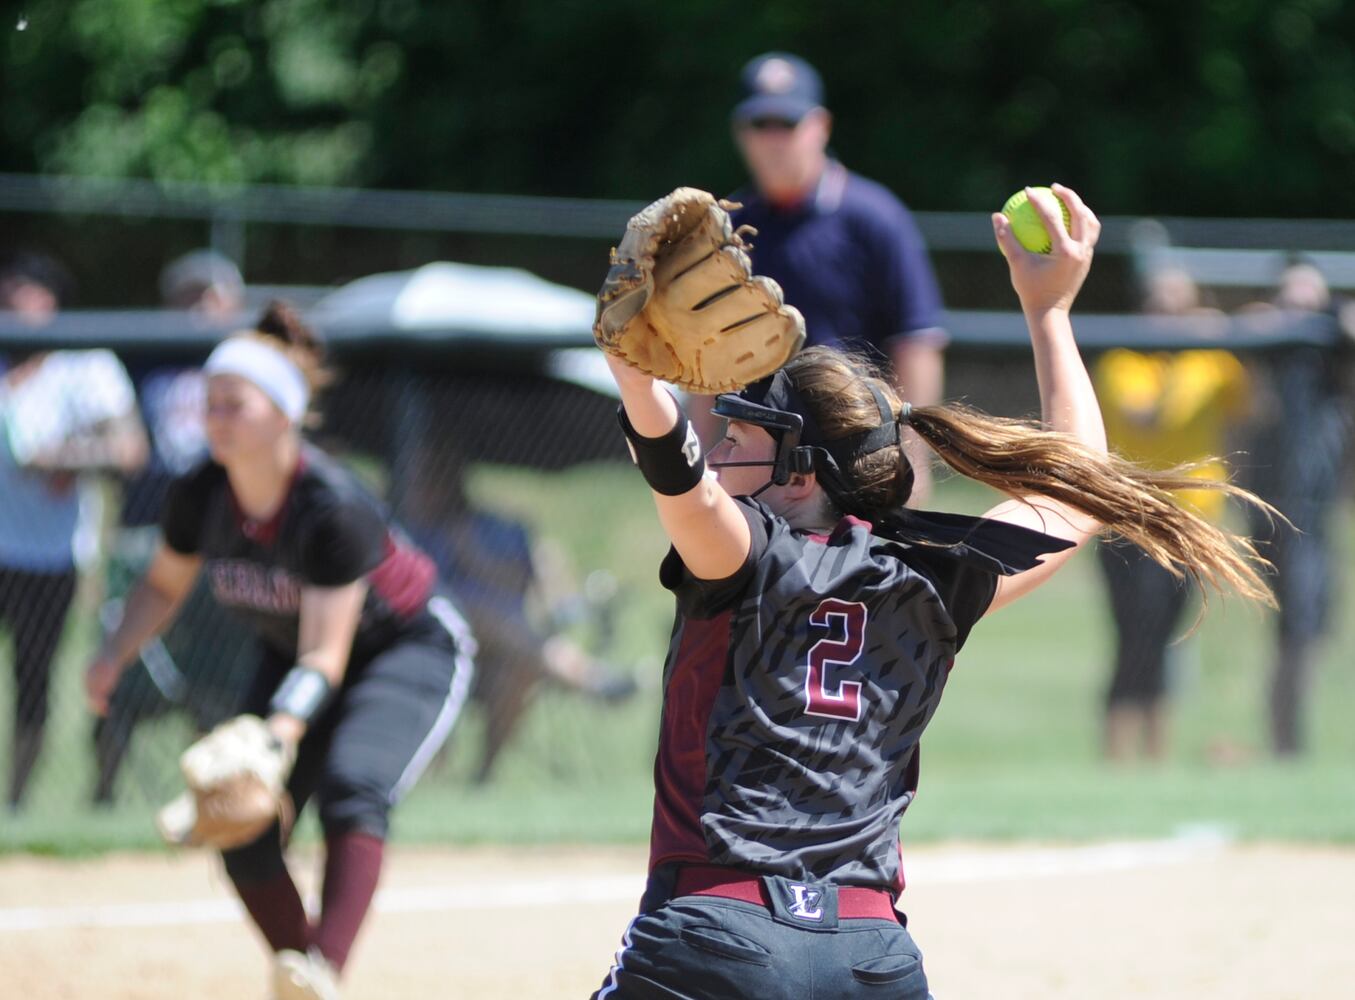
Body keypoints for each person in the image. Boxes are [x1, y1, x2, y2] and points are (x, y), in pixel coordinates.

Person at [590, 186, 1273, 998]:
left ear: (799, 472)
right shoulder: (931, 575)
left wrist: (631, 374)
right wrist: (1049, 312)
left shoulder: (744, 555)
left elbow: (681, 479)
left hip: (718, 938)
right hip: (872, 958)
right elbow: (1078, 490)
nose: (719, 447)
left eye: (738, 437)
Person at [83, 302, 475, 1000]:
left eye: (235, 403)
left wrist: (276, 737)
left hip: (401, 650)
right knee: (241, 817)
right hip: (292, 655)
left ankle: (324, 967)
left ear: (285, 413)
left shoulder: (331, 506)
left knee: (352, 788)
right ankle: (304, 976)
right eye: (210, 403)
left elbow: (328, 655)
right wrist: (113, 652)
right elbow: (163, 587)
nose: (216, 417)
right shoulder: (201, 493)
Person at [693, 52, 947, 505]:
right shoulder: (729, 225)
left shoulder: (872, 216)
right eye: (760, 124)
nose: (772, 139)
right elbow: (706, 350)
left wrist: (914, 457)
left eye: (786, 124)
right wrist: (690, 452)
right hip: (757, 456)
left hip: (856, 448)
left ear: (820, 126)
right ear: (740, 132)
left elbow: (915, 340)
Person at [94, 249, 255, 804]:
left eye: (212, 297)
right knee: (127, 677)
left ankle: (218, 795)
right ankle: (102, 795)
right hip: (148, 535)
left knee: (219, 680)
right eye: (188, 297)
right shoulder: (144, 360)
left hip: (226, 542)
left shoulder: (251, 374)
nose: (200, 310)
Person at [0, 250, 148, 809]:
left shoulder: (83, 366)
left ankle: (13, 807)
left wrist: (65, 457)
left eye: (24, 294)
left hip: (47, 557)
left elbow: (130, 448)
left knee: (33, 683)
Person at [1093, 269, 1250, 761]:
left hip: (1191, 527)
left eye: (1180, 308)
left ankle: (1155, 758)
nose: (1169, 317)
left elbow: (1251, 406)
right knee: (1133, 636)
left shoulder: (1213, 361)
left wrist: (1231, 339)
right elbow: (1149, 415)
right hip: (1131, 524)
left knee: (1164, 639)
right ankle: (1118, 756)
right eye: (1161, 307)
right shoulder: (1123, 362)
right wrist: (1187, 353)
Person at [1241, 261, 1353, 755]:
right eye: (1294, 300)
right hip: (1272, 509)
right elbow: (1244, 324)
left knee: (1310, 627)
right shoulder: (1267, 349)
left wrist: (1335, 317)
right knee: (1294, 623)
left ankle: (1288, 740)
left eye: (1314, 301)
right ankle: (1283, 742)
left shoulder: (1332, 357)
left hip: (1317, 511)